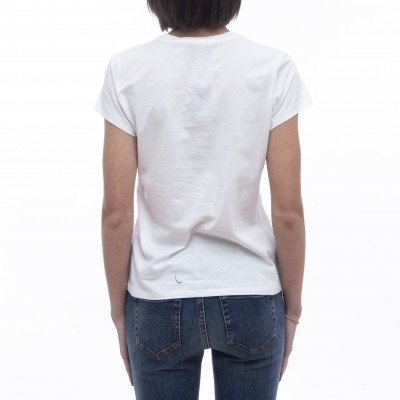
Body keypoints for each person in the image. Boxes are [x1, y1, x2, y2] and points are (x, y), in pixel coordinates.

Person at [93, 0, 312, 399]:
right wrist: (292, 310)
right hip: (251, 291)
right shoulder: (272, 67)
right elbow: (288, 213)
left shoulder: (127, 70)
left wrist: (119, 314)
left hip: (158, 294)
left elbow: (116, 214)